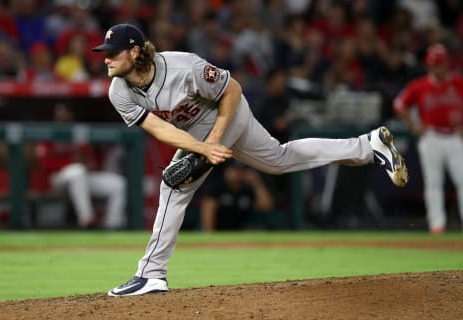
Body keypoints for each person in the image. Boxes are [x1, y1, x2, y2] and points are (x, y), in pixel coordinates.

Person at [91, 23, 408, 296]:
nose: (105, 58)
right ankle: (368, 146)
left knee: (173, 187)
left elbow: (232, 90)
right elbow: (159, 128)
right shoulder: (119, 90)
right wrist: (203, 150)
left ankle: (150, 274)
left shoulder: (183, 67)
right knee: (279, 159)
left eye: (112, 52)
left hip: (227, 113)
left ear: (134, 53)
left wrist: (213, 140)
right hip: (198, 130)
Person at [393, 43, 463, 235]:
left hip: (454, 137)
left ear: (447, 63)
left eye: (441, 63)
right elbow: (399, 105)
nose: (438, 67)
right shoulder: (419, 86)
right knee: (434, 182)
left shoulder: (458, 83)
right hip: (431, 136)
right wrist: (413, 126)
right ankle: (437, 225)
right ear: (429, 65)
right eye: (435, 63)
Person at [33, 103, 127, 229]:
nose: (61, 117)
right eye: (59, 115)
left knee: (118, 184)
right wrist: (71, 161)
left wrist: (87, 163)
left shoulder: (79, 133)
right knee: (76, 171)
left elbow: (90, 163)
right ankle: (87, 220)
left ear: (71, 115)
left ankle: (112, 225)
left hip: (82, 177)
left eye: (64, 114)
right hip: (58, 179)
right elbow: (45, 164)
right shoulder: (48, 133)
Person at [199, 160, 274, 232]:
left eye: (241, 170)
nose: (237, 173)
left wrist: (256, 183)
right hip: (217, 232)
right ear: (227, 171)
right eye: (234, 169)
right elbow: (207, 217)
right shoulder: (218, 187)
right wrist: (210, 239)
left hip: (240, 233)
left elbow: (266, 206)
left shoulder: (247, 189)